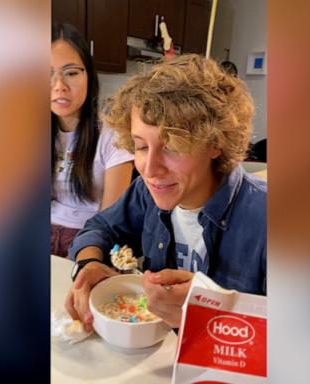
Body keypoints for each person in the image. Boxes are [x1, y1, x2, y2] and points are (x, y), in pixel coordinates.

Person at [65, 54, 266, 332]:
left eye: (172, 146)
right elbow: (100, 227)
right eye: (141, 146)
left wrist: (212, 314)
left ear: (215, 143)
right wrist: (88, 264)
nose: (150, 169)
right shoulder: (147, 194)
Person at [51, 23, 134, 257]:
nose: (59, 87)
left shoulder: (113, 136)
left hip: (87, 239)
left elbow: (109, 221)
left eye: (72, 72)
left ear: (89, 76)